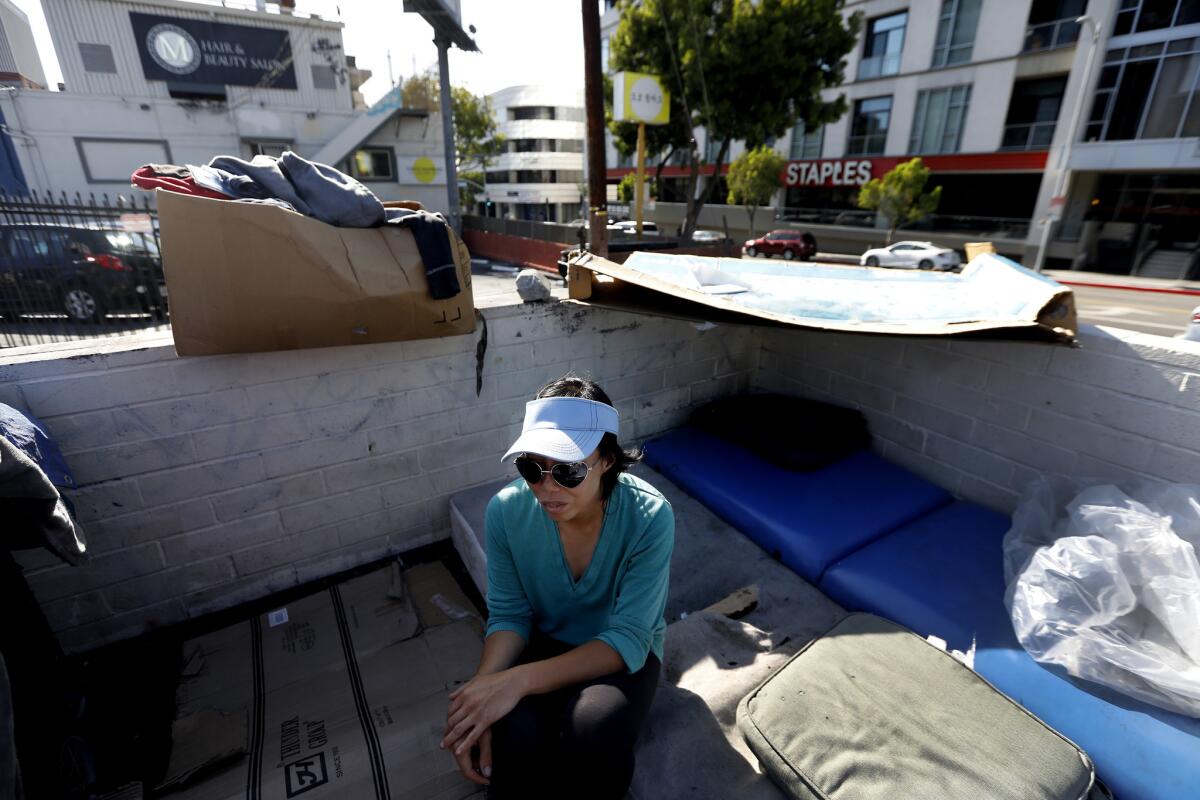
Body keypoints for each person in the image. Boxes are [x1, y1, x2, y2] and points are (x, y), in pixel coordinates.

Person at [440, 374, 674, 799]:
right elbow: (510, 614)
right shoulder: (507, 512)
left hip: (622, 654)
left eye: (567, 470)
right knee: (513, 730)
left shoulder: (650, 517)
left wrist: (520, 681)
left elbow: (629, 636)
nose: (546, 487)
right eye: (531, 468)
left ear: (607, 460)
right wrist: (482, 696)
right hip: (545, 641)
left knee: (594, 726)